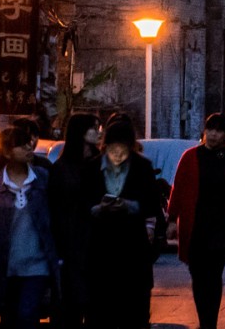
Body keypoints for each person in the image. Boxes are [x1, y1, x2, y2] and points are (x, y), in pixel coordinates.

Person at [166, 114, 225, 329]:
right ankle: (205, 318)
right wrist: (172, 219)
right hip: (196, 226)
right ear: (204, 132)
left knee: (213, 275)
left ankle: (209, 322)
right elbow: (178, 189)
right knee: (198, 274)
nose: (213, 134)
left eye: (218, 130)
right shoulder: (190, 157)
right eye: (210, 129)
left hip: (221, 227)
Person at [79, 118, 160, 329]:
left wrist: (129, 206)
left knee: (134, 315)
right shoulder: (91, 168)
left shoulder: (143, 168)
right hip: (100, 252)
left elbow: (152, 205)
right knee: (99, 315)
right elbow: (81, 205)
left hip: (132, 252)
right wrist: (99, 208)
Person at [0, 121, 57, 329]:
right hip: (6, 264)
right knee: (9, 317)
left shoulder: (43, 178)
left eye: (29, 144)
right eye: (21, 145)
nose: (29, 148)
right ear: (7, 152)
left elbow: (56, 219)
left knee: (27, 314)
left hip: (37, 264)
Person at [49, 112, 101, 329]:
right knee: (69, 308)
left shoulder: (102, 164)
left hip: (98, 244)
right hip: (70, 247)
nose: (99, 133)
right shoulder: (62, 168)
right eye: (94, 128)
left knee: (96, 310)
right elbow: (54, 208)